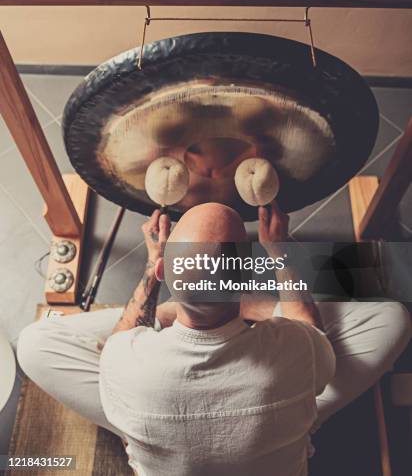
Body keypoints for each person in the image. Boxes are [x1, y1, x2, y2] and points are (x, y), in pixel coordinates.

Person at [17, 203, 410, 476]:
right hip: (277, 425)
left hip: (150, 420)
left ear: (161, 270)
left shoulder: (126, 362)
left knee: (35, 345)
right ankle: (293, 407)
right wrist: (281, 255)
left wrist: (161, 294)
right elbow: (311, 335)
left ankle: (176, 321)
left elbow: (122, 339)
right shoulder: (292, 349)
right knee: (391, 318)